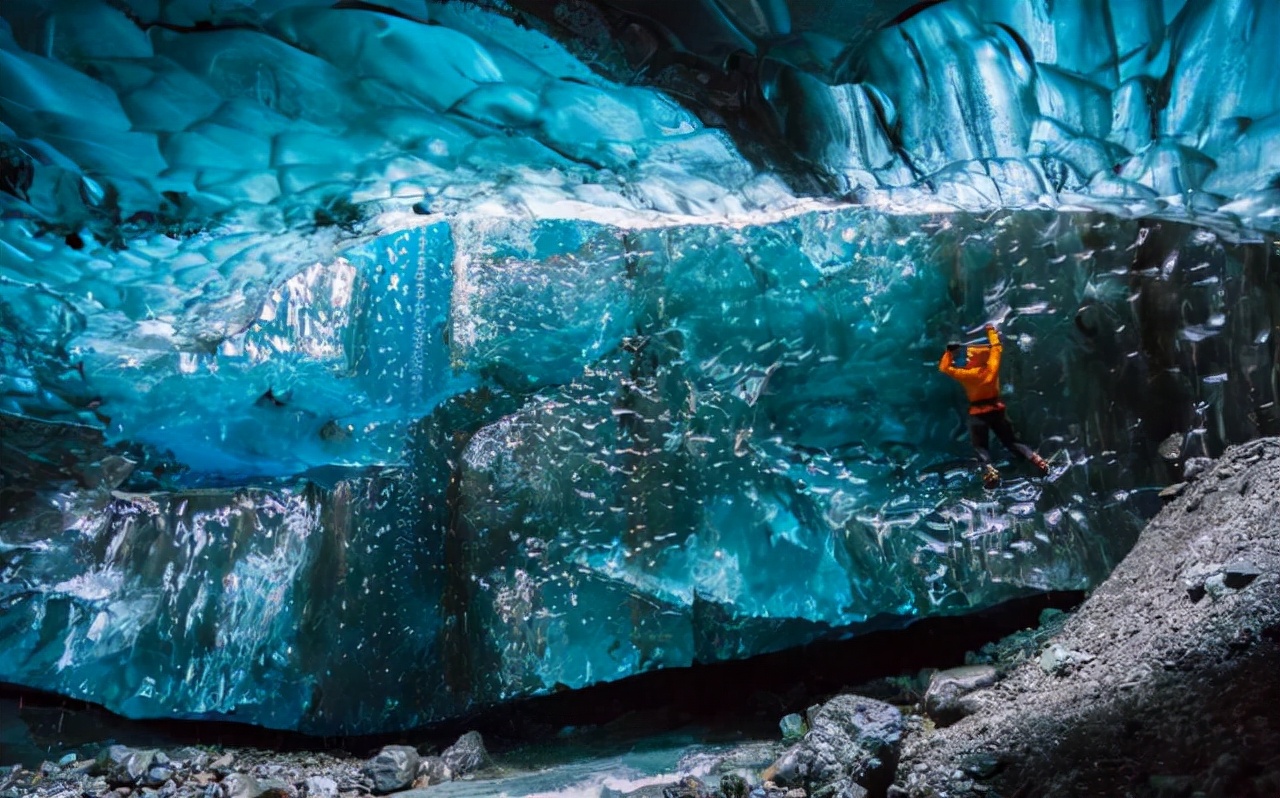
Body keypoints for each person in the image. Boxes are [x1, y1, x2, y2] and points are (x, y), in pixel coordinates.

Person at [938, 323, 1048, 488]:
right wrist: (990, 330)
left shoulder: (967, 374)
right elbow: (996, 348)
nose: (967, 359)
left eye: (970, 357)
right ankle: (1037, 460)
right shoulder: (991, 368)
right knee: (1011, 441)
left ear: (975, 360)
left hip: (978, 413)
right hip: (996, 410)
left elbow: (944, 368)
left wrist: (949, 352)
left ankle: (990, 470)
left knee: (980, 446)